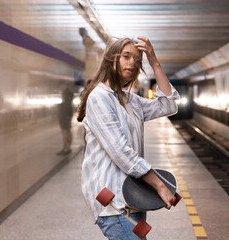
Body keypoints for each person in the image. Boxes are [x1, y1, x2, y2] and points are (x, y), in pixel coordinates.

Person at [77, 36, 180, 239]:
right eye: (126, 56)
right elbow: (121, 153)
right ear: (111, 60)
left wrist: (154, 62)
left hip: (134, 197)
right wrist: (160, 185)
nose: (132, 62)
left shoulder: (130, 100)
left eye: (137, 59)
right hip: (113, 202)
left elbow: (169, 105)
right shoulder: (99, 98)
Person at [56, 80, 74, 155]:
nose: (60, 88)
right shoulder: (69, 92)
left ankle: (66, 148)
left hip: (65, 114)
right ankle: (68, 146)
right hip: (68, 114)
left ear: (63, 85)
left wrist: (62, 112)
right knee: (68, 130)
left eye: (61, 86)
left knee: (64, 131)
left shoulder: (66, 93)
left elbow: (66, 105)